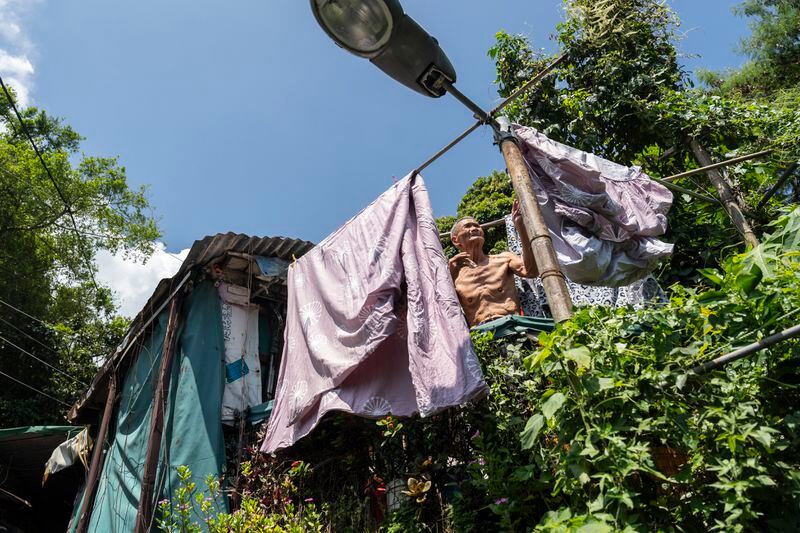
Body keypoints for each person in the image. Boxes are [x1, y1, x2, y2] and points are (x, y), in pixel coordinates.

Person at [449, 200, 538, 327]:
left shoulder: (504, 259)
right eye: (467, 226)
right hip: (481, 337)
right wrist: (449, 274)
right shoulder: (454, 275)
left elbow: (532, 272)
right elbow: (442, 307)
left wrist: (520, 227)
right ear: (456, 240)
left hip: (513, 326)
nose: (474, 228)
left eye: (477, 226)